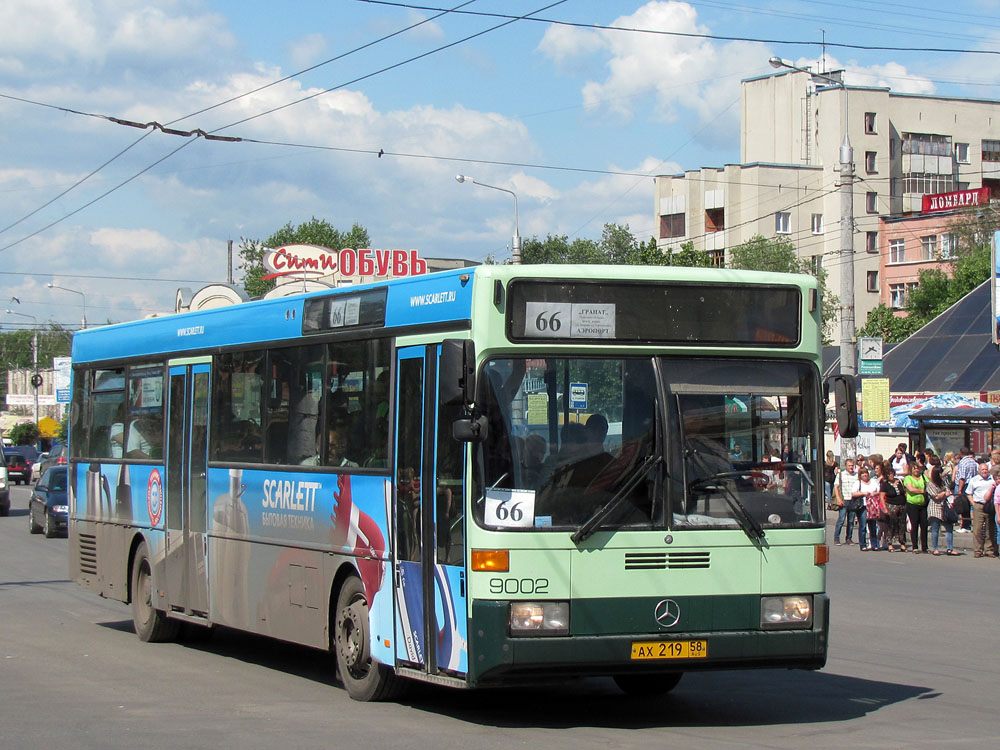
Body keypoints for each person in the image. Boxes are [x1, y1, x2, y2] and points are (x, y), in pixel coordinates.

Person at [968, 459, 998, 559]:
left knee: (990, 528)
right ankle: (978, 550)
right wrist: (974, 504)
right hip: (979, 506)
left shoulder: (991, 479)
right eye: (983, 470)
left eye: (986, 469)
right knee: (978, 529)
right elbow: (969, 493)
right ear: (979, 470)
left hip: (990, 506)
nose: (985, 471)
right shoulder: (974, 480)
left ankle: (989, 550)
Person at [926, 465, 957, 556]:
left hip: (945, 507)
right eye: (939, 473)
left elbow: (949, 492)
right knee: (935, 528)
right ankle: (935, 548)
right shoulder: (930, 484)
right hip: (935, 507)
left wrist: (947, 494)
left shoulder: (943, 483)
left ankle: (950, 548)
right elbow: (936, 497)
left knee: (949, 528)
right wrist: (944, 493)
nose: (941, 474)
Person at [881, 463, 908, 552]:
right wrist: (885, 508)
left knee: (902, 524)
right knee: (891, 524)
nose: (891, 476)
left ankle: (902, 543)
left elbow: (904, 492)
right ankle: (890, 543)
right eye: (889, 474)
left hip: (902, 505)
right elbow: (882, 497)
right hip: (891, 505)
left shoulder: (899, 481)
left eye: (892, 473)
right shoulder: (885, 484)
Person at [903, 462, 929, 553]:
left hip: (923, 504)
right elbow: (910, 489)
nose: (916, 470)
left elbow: (929, 485)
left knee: (924, 525)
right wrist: (921, 491)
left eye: (917, 468)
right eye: (914, 468)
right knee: (914, 525)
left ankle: (925, 547)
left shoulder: (923, 477)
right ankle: (915, 546)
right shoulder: (908, 478)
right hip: (912, 504)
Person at [832, 457, 859, 545]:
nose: (851, 467)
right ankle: (836, 538)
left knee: (851, 521)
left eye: (852, 466)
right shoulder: (841, 475)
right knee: (841, 520)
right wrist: (839, 499)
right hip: (844, 500)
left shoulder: (856, 475)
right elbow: (836, 487)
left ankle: (849, 538)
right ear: (846, 466)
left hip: (853, 500)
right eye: (849, 466)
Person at [953, 447, 978, 532]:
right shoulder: (973, 461)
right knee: (968, 506)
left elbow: (962, 477)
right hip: (973, 484)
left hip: (965, 485)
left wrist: (960, 489)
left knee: (963, 505)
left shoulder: (963, 462)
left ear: (961, 453)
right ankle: (968, 525)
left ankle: (965, 526)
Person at [856, 466, 879, 550]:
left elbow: (879, 490)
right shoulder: (858, 483)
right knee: (863, 526)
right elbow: (853, 493)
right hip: (863, 506)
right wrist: (863, 493)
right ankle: (863, 544)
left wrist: (874, 493)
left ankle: (874, 544)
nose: (865, 475)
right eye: (863, 473)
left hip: (873, 506)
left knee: (873, 526)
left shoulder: (873, 481)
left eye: (866, 473)